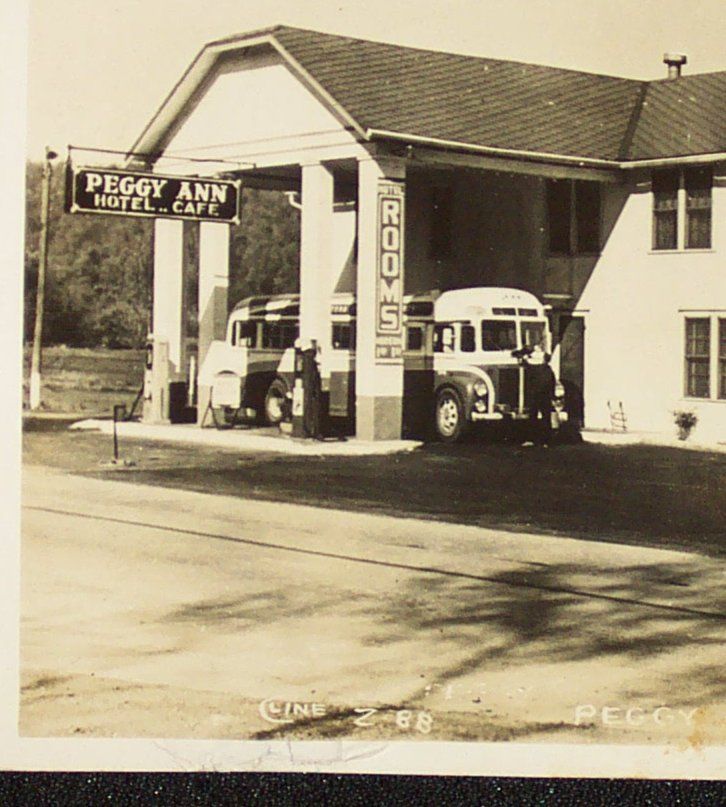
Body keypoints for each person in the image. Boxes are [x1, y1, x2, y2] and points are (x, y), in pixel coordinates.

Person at [523, 347, 556, 446]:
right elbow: (552, 384)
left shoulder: (533, 369)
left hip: (535, 396)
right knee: (546, 418)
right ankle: (547, 441)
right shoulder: (548, 370)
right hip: (545, 397)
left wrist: (525, 359)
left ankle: (531, 439)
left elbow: (527, 364)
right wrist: (552, 396)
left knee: (532, 417)